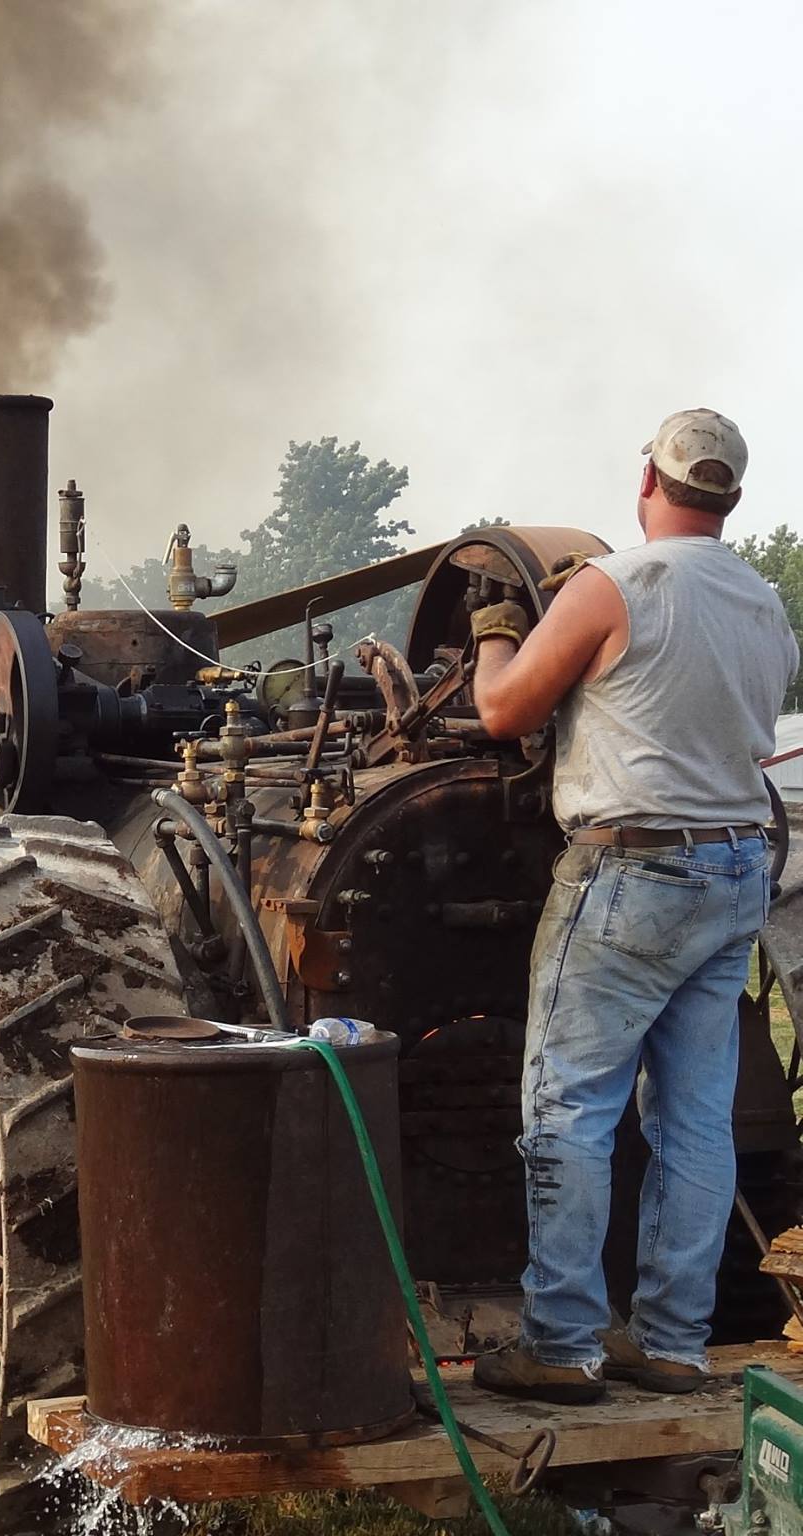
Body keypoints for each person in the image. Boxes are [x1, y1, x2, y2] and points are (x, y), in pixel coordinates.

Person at [467, 409, 797, 1404]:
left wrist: (494, 636)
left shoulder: (614, 584)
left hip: (629, 875)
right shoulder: (763, 604)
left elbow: (502, 712)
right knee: (693, 1116)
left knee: (567, 1107)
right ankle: (670, 1343)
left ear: (646, 481)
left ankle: (562, 1343)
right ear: (732, 498)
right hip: (734, 869)